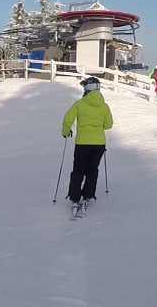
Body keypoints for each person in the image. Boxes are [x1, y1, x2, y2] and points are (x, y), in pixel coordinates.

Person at [61, 76, 113, 217]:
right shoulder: (104, 106)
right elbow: (108, 125)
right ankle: (88, 195)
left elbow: (67, 119)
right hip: (99, 144)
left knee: (78, 171)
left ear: (87, 88)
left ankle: (75, 197)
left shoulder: (80, 104)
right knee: (92, 170)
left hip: (82, 144)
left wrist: (65, 132)